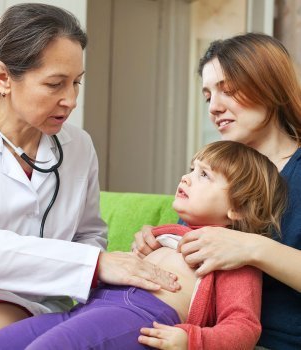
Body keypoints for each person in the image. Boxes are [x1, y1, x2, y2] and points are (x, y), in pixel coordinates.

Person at [0, 3, 179, 349]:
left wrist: (89, 261)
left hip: (31, 297)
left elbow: (89, 233)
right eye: (55, 84)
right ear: (3, 77)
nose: (70, 100)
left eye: (76, 83)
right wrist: (95, 263)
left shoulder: (78, 146)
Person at [0, 140, 288, 350]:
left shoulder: (236, 259)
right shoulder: (163, 234)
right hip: (89, 306)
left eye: (204, 175)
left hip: (140, 318)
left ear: (239, 208)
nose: (186, 177)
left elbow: (244, 326)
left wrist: (192, 339)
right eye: (192, 168)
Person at [133, 32, 301, 350]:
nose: (213, 107)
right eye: (208, 95)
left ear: (269, 85)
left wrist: (251, 248)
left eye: (228, 90)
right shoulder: (215, 170)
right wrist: (160, 246)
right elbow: (196, 259)